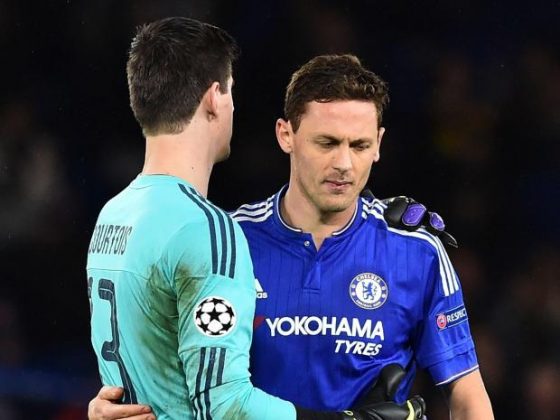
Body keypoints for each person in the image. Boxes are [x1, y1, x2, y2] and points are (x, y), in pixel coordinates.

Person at [86, 17, 426, 420]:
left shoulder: (114, 215)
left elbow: (142, 366)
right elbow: (225, 404)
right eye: (231, 90)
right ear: (214, 98)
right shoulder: (209, 231)